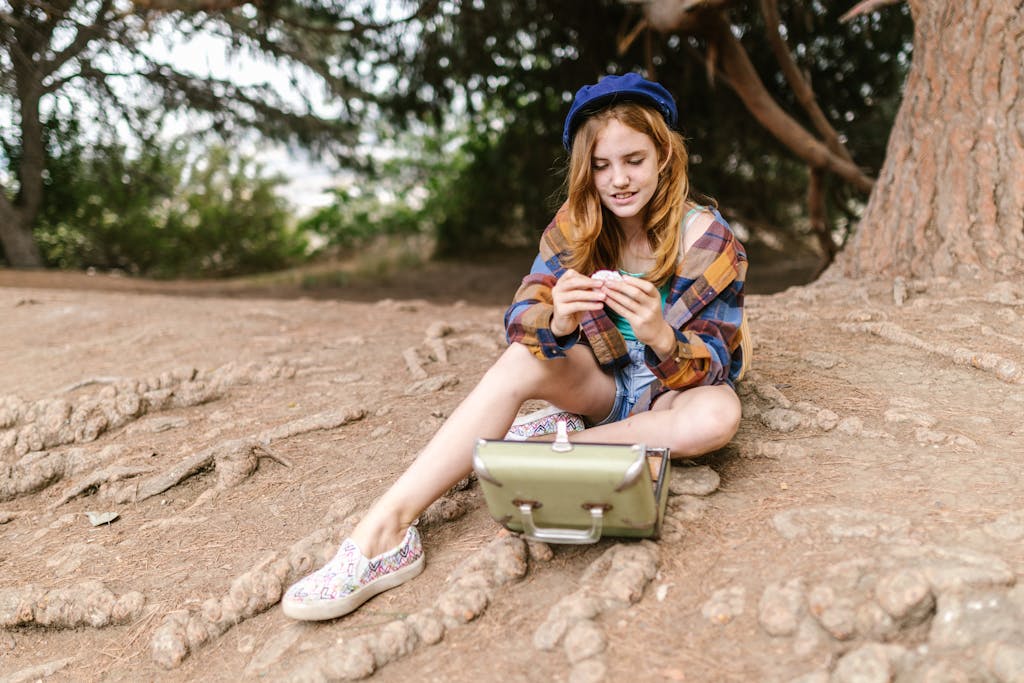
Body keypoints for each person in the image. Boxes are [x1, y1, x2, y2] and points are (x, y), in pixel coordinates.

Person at [281, 72, 748, 621]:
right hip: (600, 383)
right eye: (601, 165)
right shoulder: (577, 226)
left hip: (671, 395)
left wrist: (661, 335)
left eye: (634, 160)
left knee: (719, 415)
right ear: (584, 168)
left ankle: (548, 451)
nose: (618, 179)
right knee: (520, 358)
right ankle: (383, 534)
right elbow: (521, 318)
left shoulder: (710, 239)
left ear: (665, 155)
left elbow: (715, 364)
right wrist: (560, 319)